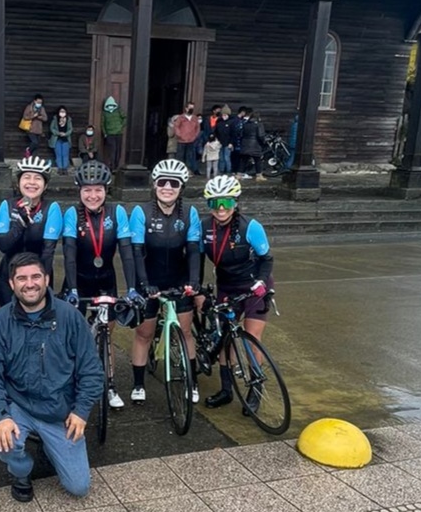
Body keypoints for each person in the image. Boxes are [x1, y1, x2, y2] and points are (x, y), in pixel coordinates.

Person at [0, 252, 103, 502]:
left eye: (36, 277)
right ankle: (21, 471)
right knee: (5, 443)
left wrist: (81, 410)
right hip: (18, 405)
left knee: (79, 487)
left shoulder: (70, 317)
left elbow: (91, 369)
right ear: (12, 284)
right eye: (22, 278)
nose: (30, 284)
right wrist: (1, 415)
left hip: (59, 410)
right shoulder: (0, 321)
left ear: (46, 279)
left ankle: (50, 445)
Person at [61, 160, 144, 409]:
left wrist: (132, 288)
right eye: (87, 190)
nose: (93, 195)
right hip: (79, 280)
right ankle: (71, 384)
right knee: (72, 337)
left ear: (106, 190)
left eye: (98, 190)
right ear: (79, 191)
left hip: (106, 280)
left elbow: (126, 253)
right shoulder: (71, 214)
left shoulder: (117, 213)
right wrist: (72, 289)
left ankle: (109, 385)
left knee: (107, 333)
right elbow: (69, 255)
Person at [191, 175, 273, 412]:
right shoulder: (204, 227)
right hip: (227, 286)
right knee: (225, 337)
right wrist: (197, 289)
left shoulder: (251, 227)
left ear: (235, 202)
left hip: (254, 286)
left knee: (251, 336)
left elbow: (267, 259)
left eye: (226, 202)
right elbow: (197, 260)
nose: (221, 208)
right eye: (214, 203)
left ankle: (255, 389)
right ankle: (226, 390)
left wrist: (261, 282)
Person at [128, 159, 202, 404]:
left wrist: (193, 281)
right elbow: (136, 251)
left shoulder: (190, 213)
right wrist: (144, 283)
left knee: (186, 331)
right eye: (162, 182)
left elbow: (193, 251)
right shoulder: (141, 212)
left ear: (181, 187)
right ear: (154, 185)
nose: (167, 187)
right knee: (144, 334)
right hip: (149, 278)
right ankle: (138, 384)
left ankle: (192, 382)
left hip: (179, 278)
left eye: (174, 183)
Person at [0, 155, 62, 307]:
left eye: (37, 178)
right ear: (18, 183)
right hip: (10, 273)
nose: (32, 182)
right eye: (26, 177)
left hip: (39, 273)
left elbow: (48, 251)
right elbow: (3, 245)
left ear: (45, 185)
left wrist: (43, 279)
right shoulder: (7, 205)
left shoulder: (51, 208)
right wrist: (20, 222)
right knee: (9, 317)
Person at [173, 103, 202, 176]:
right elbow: (176, 127)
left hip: (191, 141)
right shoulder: (181, 118)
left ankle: (188, 171)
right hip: (181, 141)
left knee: (190, 157)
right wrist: (180, 135)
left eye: (192, 108)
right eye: (190, 108)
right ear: (186, 108)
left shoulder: (195, 118)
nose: (191, 109)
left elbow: (198, 128)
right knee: (180, 156)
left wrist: (195, 136)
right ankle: (178, 171)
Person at [238, 108, 265, 180]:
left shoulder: (245, 124)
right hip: (255, 145)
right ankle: (259, 176)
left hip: (245, 144)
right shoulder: (259, 125)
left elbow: (241, 134)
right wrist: (263, 142)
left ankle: (239, 175)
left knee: (243, 160)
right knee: (258, 160)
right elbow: (261, 136)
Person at [101, 96, 126, 171]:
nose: (110, 106)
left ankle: (116, 166)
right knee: (112, 150)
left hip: (118, 133)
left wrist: (121, 126)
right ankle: (112, 166)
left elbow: (125, 118)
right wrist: (105, 133)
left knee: (118, 150)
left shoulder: (119, 111)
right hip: (110, 134)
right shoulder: (105, 113)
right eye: (109, 105)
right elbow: (102, 124)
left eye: (111, 105)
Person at [49, 106, 73, 174]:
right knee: (58, 154)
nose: (62, 113)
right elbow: (52, 128)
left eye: (63, 111)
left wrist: (65, 134)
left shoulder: (68, 119)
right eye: (61, 111)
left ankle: (65, 168)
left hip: (66, 139)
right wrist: (58, 133)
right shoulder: (55, 119)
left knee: (65, 154)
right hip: (57, 139)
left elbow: (70, 129)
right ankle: (60, 168)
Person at [215, 105, 235, 175]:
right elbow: (216, 132)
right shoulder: (219, 122)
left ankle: (228, 170)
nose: (224, 116)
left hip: (228, 143)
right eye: (223, 115)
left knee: (227, 157)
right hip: (220, 142)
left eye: (225, 115)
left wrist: (231, 143)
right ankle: (221, 170)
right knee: (221, 157)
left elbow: (233, 133)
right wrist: (216, 140)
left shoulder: (231, 122)